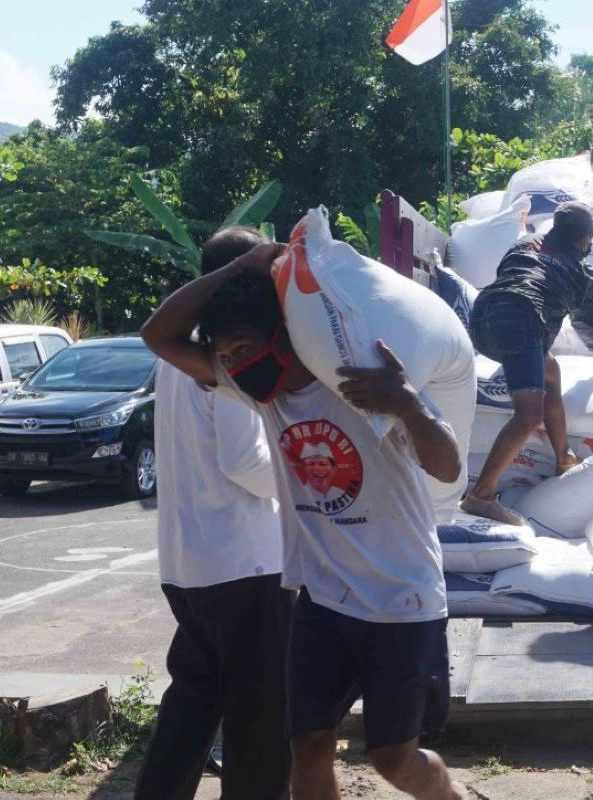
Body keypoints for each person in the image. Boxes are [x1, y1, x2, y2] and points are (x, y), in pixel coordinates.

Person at [140, 242, 465, 800]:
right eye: (226, 354)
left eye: (243, 347)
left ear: (283, 334)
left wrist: (407, 404)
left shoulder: (360, 386)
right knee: (307, 747)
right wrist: (239, 269)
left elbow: (448, 465)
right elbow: (158, 337)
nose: (236, 364)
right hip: (322, 600)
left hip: (399, 600)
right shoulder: (259, 396)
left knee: (394, 759)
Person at [135, 226, 292, 800]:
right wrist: (305, 484)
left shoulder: (177, 355)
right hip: (244, 565)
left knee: (193, 705)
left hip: (188, 566)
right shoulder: (229, 354)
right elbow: (244, 460)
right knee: (261, 721)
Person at [460, 202, 593, 525]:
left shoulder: (524, 244)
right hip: (521, 318)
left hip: (482, 317)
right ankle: (480, 496)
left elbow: (511, 275)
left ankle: (563, 458)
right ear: (583, 240)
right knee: (528, 413)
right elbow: (588, 327)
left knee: (551, 372)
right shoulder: (582, 273)